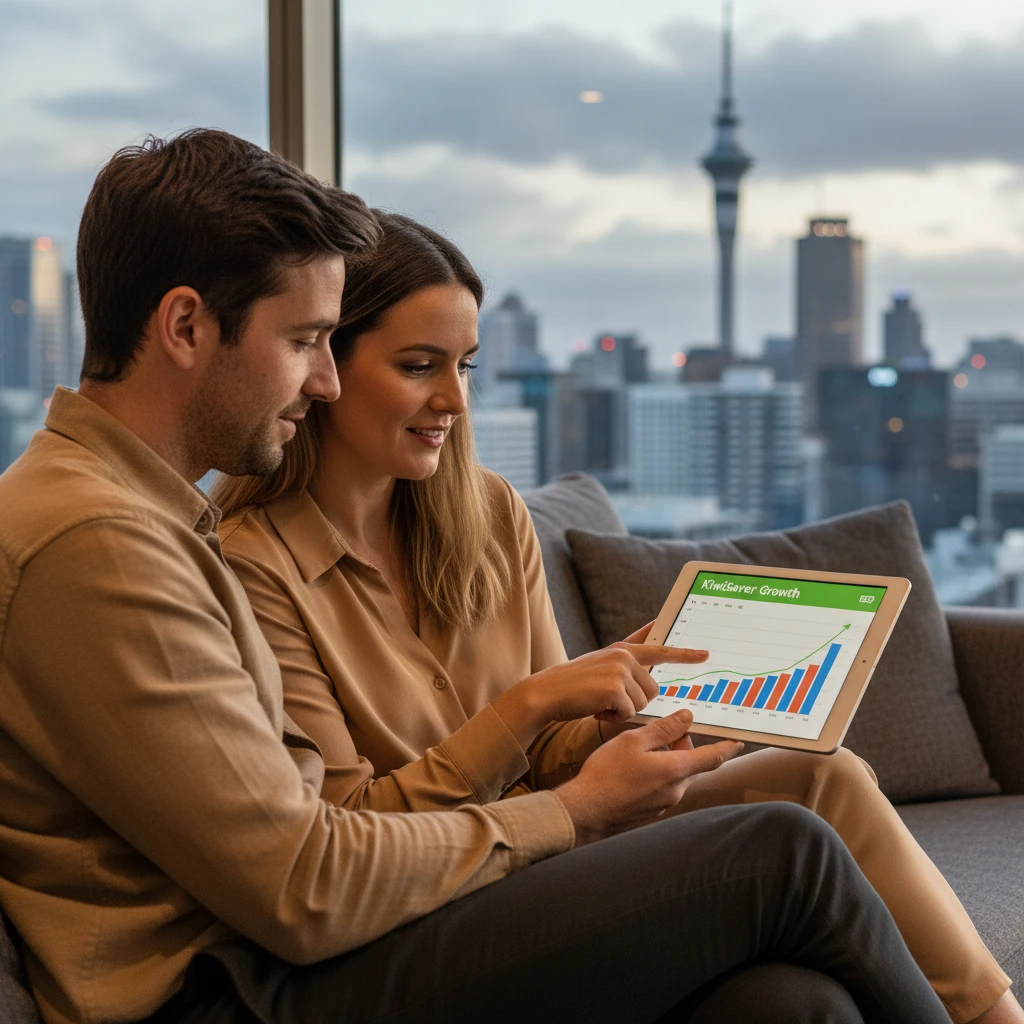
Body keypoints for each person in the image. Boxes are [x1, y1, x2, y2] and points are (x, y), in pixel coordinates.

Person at [0, 129, 949, 1024]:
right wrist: (570, 812)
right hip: (234, 989)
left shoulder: (153, 518)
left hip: (284, 954)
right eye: (301, 342)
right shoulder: (100, 543)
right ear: (184, 326)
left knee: (789, 1006)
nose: (323, 382)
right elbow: (304, 883)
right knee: (780, 851)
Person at [215, 211, 1021, 1024]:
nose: (454, 399)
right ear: (325, 367)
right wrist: (526, 709)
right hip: (436, 896)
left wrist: (609, 717)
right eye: (419, 365)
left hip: (557, 838)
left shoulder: (488, 513)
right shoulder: (256, 566)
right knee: (790, 850)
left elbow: (550, 758)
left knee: (816, 816)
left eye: (466, 365)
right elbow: (347, 836)